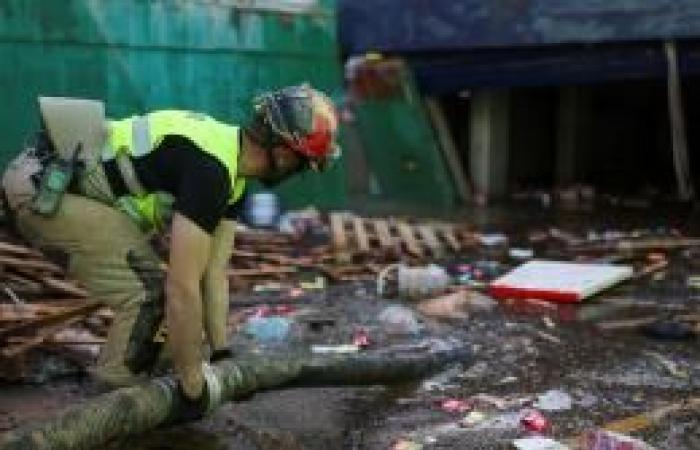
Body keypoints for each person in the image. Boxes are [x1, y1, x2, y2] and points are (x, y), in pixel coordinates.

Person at [1, 84, 339, 407]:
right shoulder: (212, 170)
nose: (298, 173)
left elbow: (213, 274)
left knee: (170, 332)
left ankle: (146, 394)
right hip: (46, 188)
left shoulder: (232, 176)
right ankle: (107, 409)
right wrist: (194, 382)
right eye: (303, 165)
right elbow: (182, 286)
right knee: (151, 297)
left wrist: (221, 354)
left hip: (65, 187)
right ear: (283, 153)